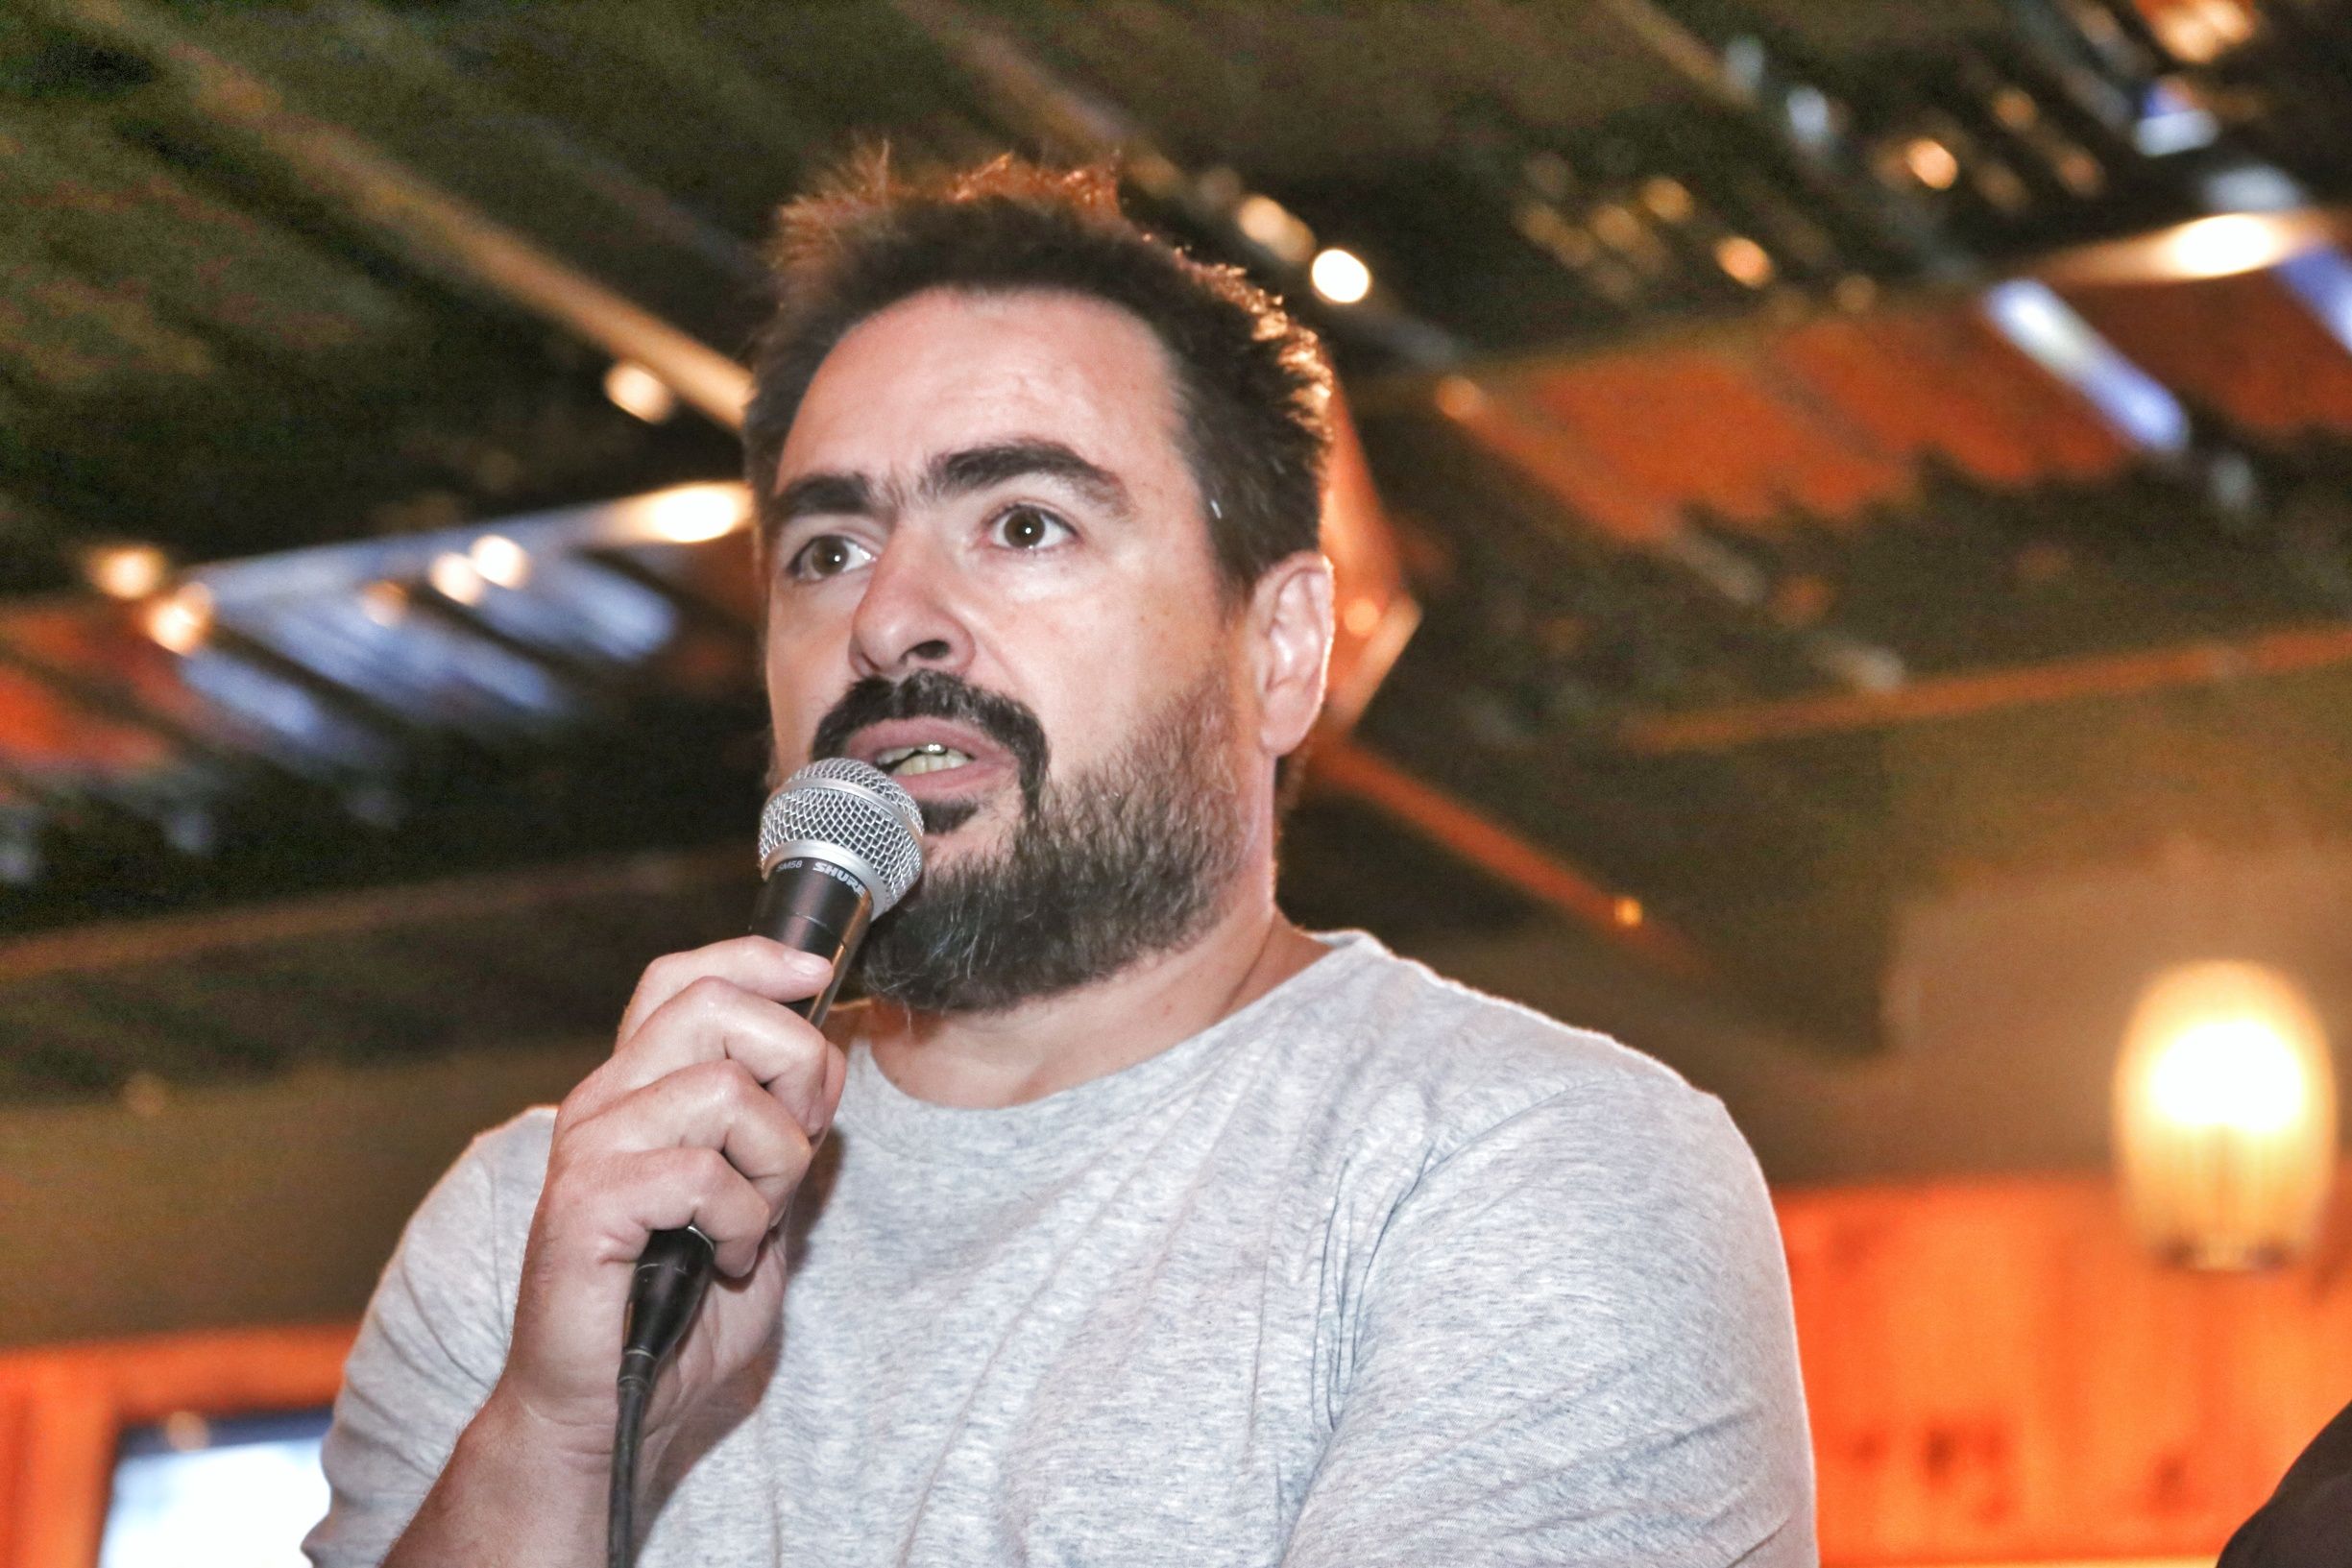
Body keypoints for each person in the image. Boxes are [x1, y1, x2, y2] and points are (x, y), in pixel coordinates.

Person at [304, 156, 1816, 1568]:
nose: (889, 617)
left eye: (1023, 523)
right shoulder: (539, 1226)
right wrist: (559, 1438)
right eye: (826, 551)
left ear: (1281, 648)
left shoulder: (1521, 1165)